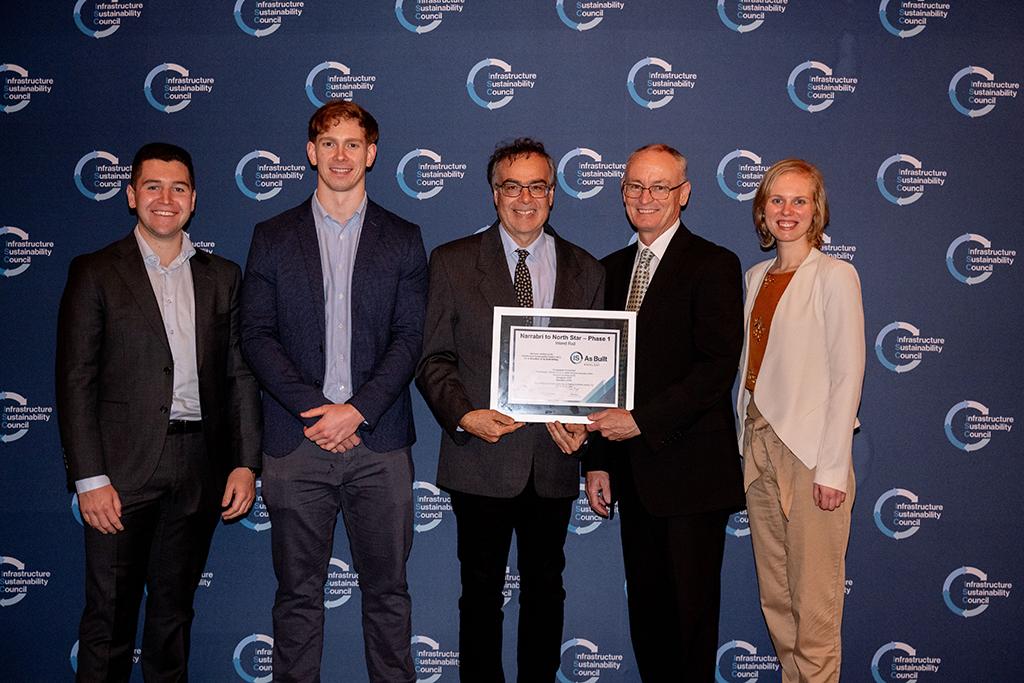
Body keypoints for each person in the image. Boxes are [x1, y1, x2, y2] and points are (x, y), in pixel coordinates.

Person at [56, 142, 262, 681]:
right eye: (152, 186)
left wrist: (245, 463)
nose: (165, 199)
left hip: (199, 466)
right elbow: (75, 381)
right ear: (131, 195)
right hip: (120, 472)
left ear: (193, 200)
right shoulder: (95, 272)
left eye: (178, 188)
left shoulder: (223, 277)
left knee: (173, 619)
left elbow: (239, 375)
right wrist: (89, 477)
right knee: (109, 619)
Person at [239, 100, 426, 683]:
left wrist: (358, 411)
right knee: (297, 597)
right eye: (328, 143)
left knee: (389, 595)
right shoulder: (271, 237)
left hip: (380, 443)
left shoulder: (403, 238)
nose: (340, 155)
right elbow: (256, 334)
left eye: (352, 144)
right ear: (310, 152)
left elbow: (410, 337)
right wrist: (316, 410)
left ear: (371, 153)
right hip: (297, 443)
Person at [416, 137, 604, 682]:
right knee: (479, 595)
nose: (526, 197)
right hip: (481, 457)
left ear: (554, 193)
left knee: (547, 593)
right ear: (494, 194)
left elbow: (593, 372)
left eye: (538, 186)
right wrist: (464, 414)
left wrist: (582, 422)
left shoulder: (586, 270)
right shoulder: (451, 263)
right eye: (512, 186)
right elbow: (433, 358)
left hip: (552, 461)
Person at [583, 143, 745, 681]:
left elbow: (716, 367)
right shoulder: (608, 270)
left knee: (691, 622)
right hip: (634, 475)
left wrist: (643, 421)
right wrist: (599, 461)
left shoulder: (715, 264)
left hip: (692, 477)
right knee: (647, 619)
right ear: (622, 192)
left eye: (659, 186)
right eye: (634, 186)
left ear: (684, 193)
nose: (645, 197)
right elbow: (603, 379)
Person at [736, 159, 864, 682]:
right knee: (778, 602)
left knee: (813, 609)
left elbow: (847, 374)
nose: (787, 211)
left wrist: (832, 468)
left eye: (799, 200)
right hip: (757, 443)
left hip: (811, 454)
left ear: (817, 211)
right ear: (762, 211)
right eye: (777, 200)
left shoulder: (836, 275)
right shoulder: (754, 276)